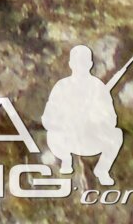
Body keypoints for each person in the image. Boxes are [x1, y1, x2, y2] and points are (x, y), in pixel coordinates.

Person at [39, 45, 124, 187]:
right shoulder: (62, 86)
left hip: (89, 139)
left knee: (116, 134)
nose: (80, 66)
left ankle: (102, 170)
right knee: (53, 136)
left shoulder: (98, 87)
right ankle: (65, 160)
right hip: (65, 139)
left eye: (84, 62)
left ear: (90, 64)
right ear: (71, 64)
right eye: (77, 62)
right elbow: (47, 117)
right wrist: (64, 121)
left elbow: (111, 119)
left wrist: (96, 116)